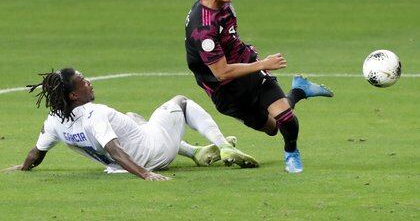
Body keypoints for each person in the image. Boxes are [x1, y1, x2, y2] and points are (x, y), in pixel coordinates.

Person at [185, 0, 334, 173]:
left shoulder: (224, 5)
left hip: (250, 71)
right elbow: (222, 73)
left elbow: (229, 37)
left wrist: (252, 57)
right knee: (272, 127)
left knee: (286, 118)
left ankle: (291, 153)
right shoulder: (202, 29)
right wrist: (264, 63)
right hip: (225, 91)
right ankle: (299, 91)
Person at [2, 68, 258, 180]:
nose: (89, 82)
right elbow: (114, 148)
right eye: (83, 81)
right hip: (154, 154)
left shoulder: (54, 121)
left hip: (121, 165)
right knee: (180, 102)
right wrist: (146, 174)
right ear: (73, 95)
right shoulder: (95, 113)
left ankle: (196, 152)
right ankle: (224, 146)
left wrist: (23, 167)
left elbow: (37, 153)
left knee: (133, 117)